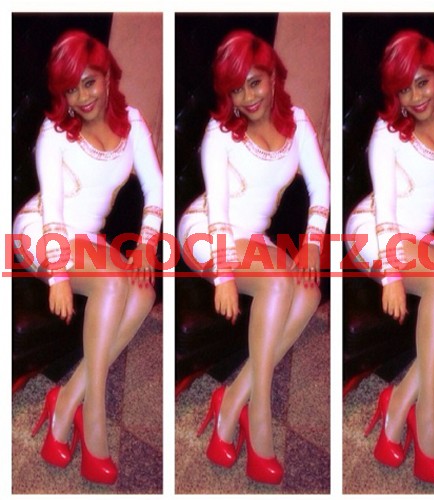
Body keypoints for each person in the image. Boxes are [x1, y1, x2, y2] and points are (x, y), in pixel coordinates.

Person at [177, 30, 330, 484]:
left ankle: (233, 398)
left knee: (307, 293)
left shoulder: (298, 123)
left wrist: (313, 242)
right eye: (236, 90)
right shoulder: (220, 133)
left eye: (255, 83)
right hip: (209, 231)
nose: (247, 98)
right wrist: (224, 275)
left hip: (254, 238)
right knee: (280, 284)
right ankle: (257, 416)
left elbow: (321, 187)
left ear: (273, 77)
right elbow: (219, 212)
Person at [13, 30, 163, 485]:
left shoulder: (132, 123)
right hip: (43, 231)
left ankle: (67, 399)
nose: (82, 98)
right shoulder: (54, 133)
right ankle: (92, 416)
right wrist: (58, 275)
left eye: (89, 82)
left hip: (89, 238)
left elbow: (156, 188)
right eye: (70, 90)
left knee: (142, 292)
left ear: (108, 76)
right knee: (114, 284)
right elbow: (54, 212)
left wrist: (146, 244)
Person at [345, 30, 434, 484]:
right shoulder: (387, 133)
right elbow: (387, 212)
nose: (415, 97)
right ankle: (425, 417)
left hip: (420, 238)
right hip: (375, 230)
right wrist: (391, 276)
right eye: (404, 90)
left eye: (422, 82)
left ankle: (400, 398)